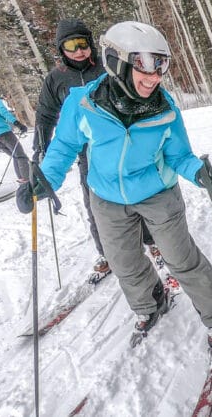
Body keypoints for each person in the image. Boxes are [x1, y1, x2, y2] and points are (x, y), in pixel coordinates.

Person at [16, 20, 212, 345]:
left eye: (161, 65)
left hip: (158, 194)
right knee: (124, 263)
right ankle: (151, 304)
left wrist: (201, 174)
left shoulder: (164, 107)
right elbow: (63, 147)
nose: (155, 76)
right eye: (145, 65)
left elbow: (179, 155)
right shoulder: (83, 103)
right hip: (105, 197)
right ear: (116, 62)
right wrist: (44, 180)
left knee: (181, 259)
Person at [33, 18, 163, 280]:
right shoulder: (56, 79)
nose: (78, 50)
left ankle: (152, 241)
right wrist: (40, 149)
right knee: (95, 203)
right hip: (85, 151)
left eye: (83, 43)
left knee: (135, 194)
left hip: (120, 145)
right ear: (61, 50)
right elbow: (45, 115)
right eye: (71, 46)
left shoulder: (108, 67)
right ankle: (107, 251)